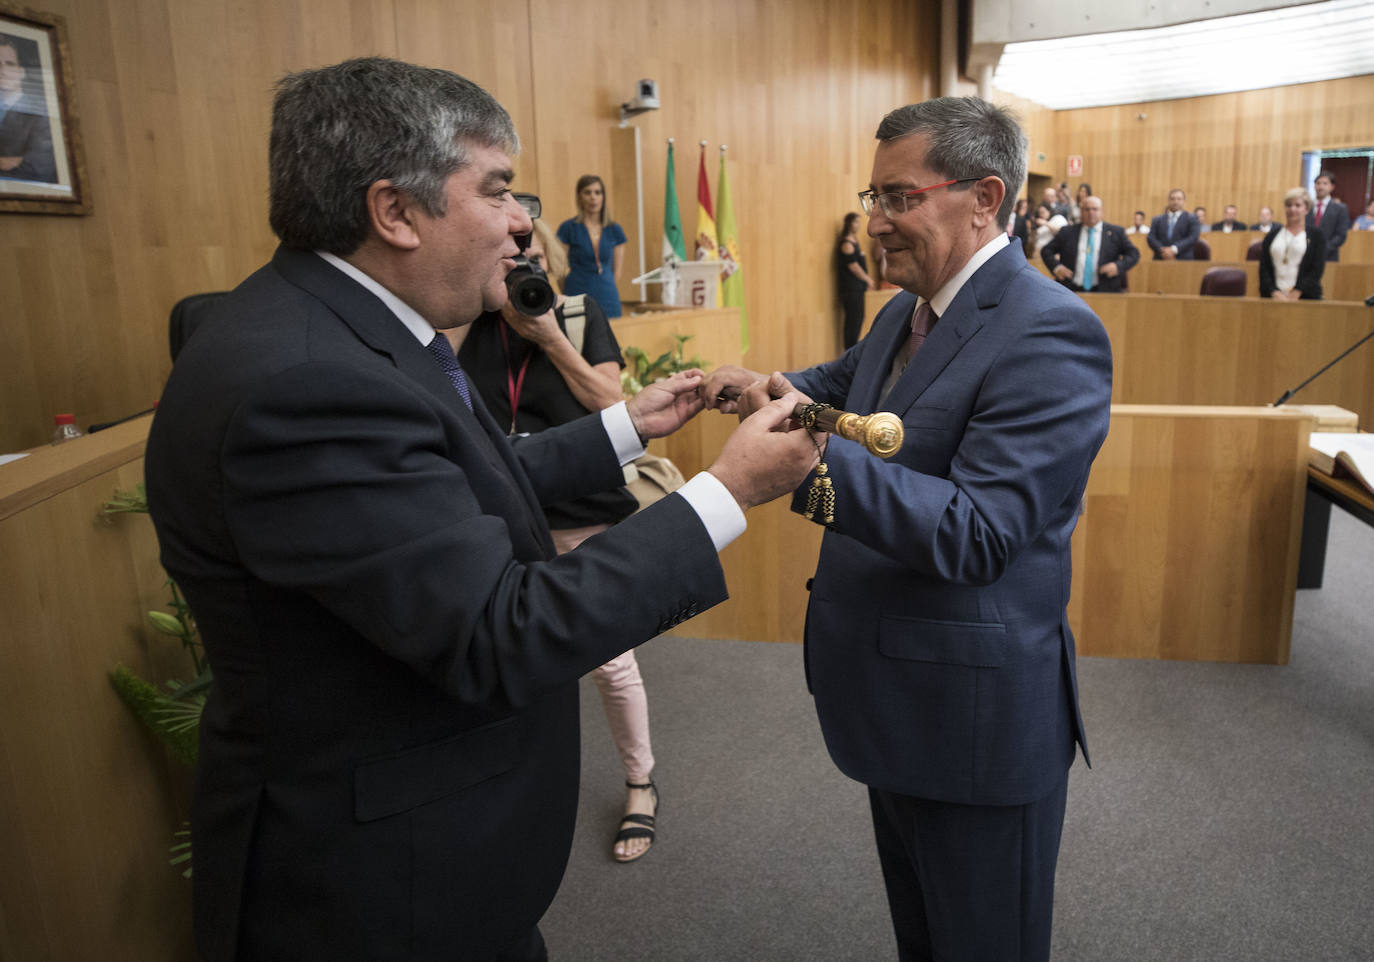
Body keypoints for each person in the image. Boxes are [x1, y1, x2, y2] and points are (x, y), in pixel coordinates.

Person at [143, 57, 818, 962]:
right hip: (380, 893)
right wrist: (728, 492)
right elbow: (498, 633)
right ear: (395, 211)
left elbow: (450, 485)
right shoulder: (307, 383)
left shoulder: (339, 331)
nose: (523, 222)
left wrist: (627, 424)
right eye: (498, 190)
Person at [701, 96, 1112, 962]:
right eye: (874, 197)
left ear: (984, 198)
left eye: (899, 198)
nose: (875, 221)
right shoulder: (904, 309)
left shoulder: (1052, 330)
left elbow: (979, 533)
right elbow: (838, 385)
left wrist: (808, 470)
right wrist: (753, 386)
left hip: (975, 727)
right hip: (898, 702)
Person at [457, 217, 662, 863]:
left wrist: (548, 337)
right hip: (504, 518)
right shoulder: (469, 325)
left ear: (552, 265)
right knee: (512, 658)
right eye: (513, 261)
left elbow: (612, 403)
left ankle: (640, 783)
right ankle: (519, 790)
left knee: (610, 661)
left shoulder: (578, 315)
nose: (524, 272)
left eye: (535, 261)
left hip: (579, 510)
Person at [557, 174, 628, 316]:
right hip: (576, 293)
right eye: (587, 192)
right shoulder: (568, 228)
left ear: (603, 197)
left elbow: (617, 272)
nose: (593, 197)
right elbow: (559, 269)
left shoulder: (615, 230)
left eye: (598, 192)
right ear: (579, 197)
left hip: (608, 296)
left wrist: (605, 285)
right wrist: (568, 292)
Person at [1040, 195, 1139, 292]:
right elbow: (1046, 251)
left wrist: (1118, 266)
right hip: (1071, 290)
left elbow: (1134, 253)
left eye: (1095, 209)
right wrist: (1057, 267)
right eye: (1087, 209)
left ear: (1102, 212)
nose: (1091, 212)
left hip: (1105, 291)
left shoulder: (1116, 232)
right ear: (1081, 212)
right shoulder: (1067, 232)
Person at [0, 34, 57, 183]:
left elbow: (39, 167)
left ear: (21, 71)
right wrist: (10, 161)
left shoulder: (41, 112)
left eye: (10, 64)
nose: (3, 70)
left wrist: (20, 162)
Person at [1260, 187, 1326, 300]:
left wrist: (1297, 292)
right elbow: (1264, 268)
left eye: (1297, 205)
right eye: (1288, 205)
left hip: (1305, 297)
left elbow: (1316, 269)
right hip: (1274, 298)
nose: (1292, 209)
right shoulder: (1271, 236)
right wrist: (1274, 292)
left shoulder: (1316, 236)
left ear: (1306, 209)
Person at [836, 211, 875, 347]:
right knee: (853, 321)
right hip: (851, 290)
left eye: (859, 222)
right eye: (856, 222)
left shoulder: (854, 241)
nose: (858, 225)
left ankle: (852, 348)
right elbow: (853, 266)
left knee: (858, 319)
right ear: (849, 223)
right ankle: (850, 350)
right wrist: (868, 279)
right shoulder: (847, 244)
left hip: (857, 289)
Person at [1307, 170, 1350, 262]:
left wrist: (1323, 249)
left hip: (1329, 257)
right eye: (1318, 183)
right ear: (1314, 186)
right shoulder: (1306, 206)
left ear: (1332, 187)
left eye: (1325, 183)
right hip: (1306, 256)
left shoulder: (1340, 208)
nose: (1321, 187)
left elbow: (1341, 235)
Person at [1148, 188, 1201, 260]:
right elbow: (1151, 237)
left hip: (1183, 259)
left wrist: (1173, 249)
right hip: (1160, 258)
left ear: (1184, 201)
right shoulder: (1157, 219)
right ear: (1168, 201)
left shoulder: (1192, 218)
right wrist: (1162, 250)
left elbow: (1193, 237)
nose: (1175, 202)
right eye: (1172, 199)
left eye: (1179, 199)